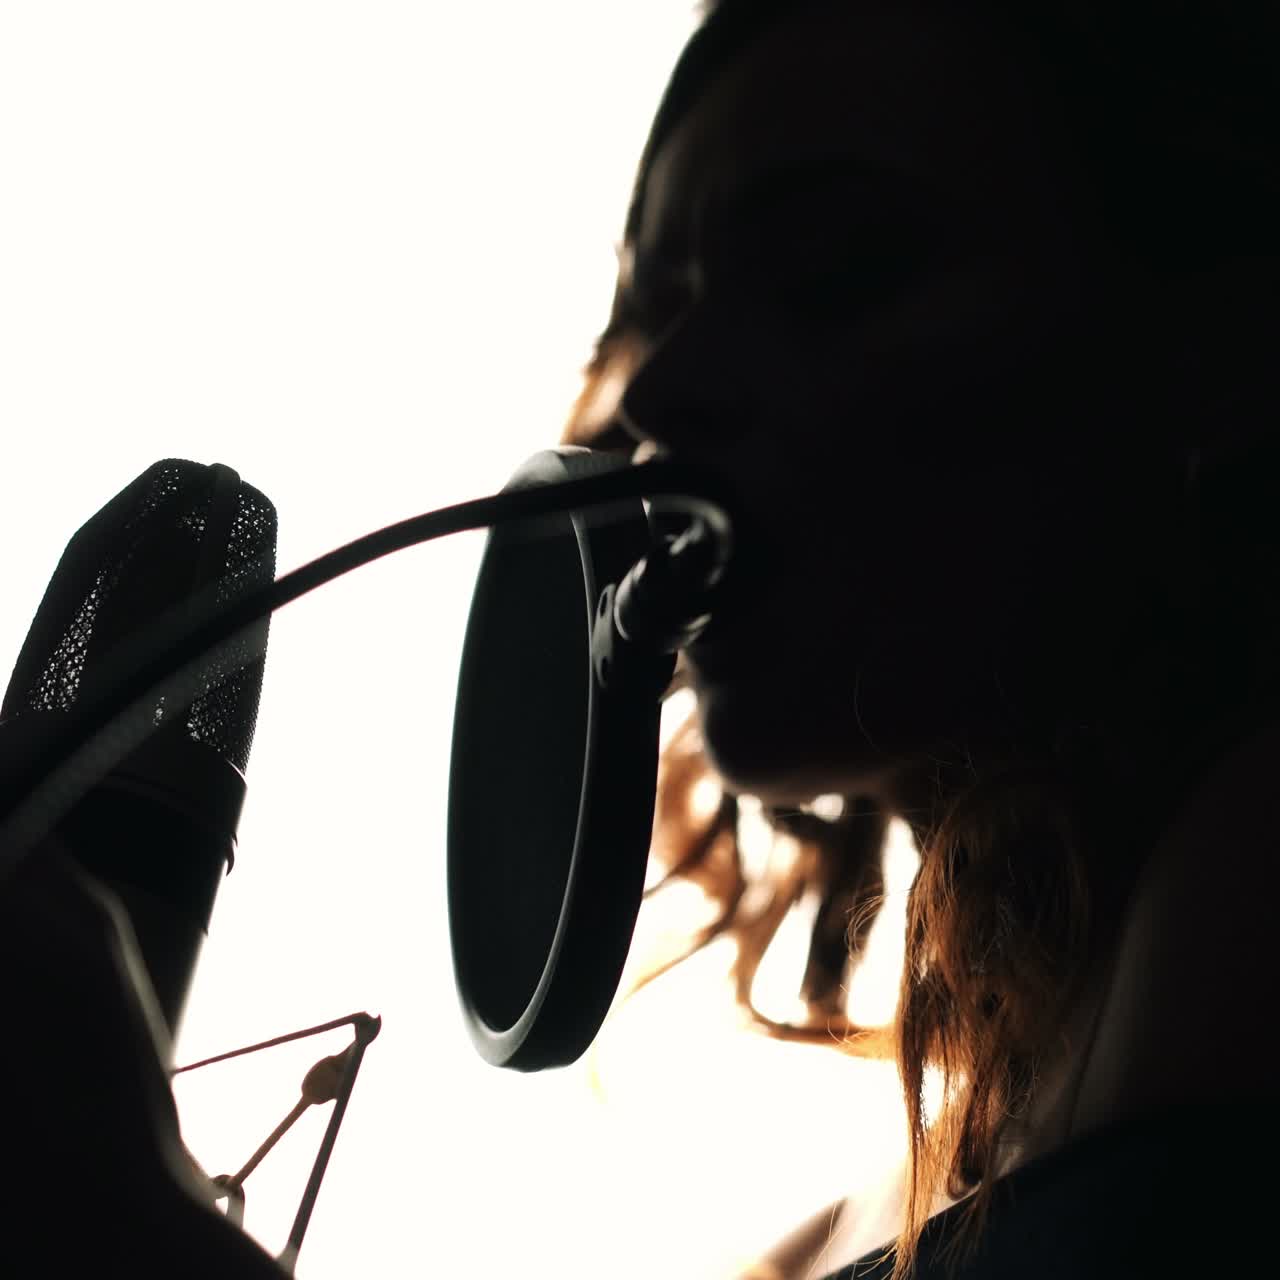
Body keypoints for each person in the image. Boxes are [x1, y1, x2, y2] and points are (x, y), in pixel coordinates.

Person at [561, 1, 1280, 1276]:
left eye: (839, 268)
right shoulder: (842, 1225)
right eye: (650, 316)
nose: (660, 395)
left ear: (1217, 345)